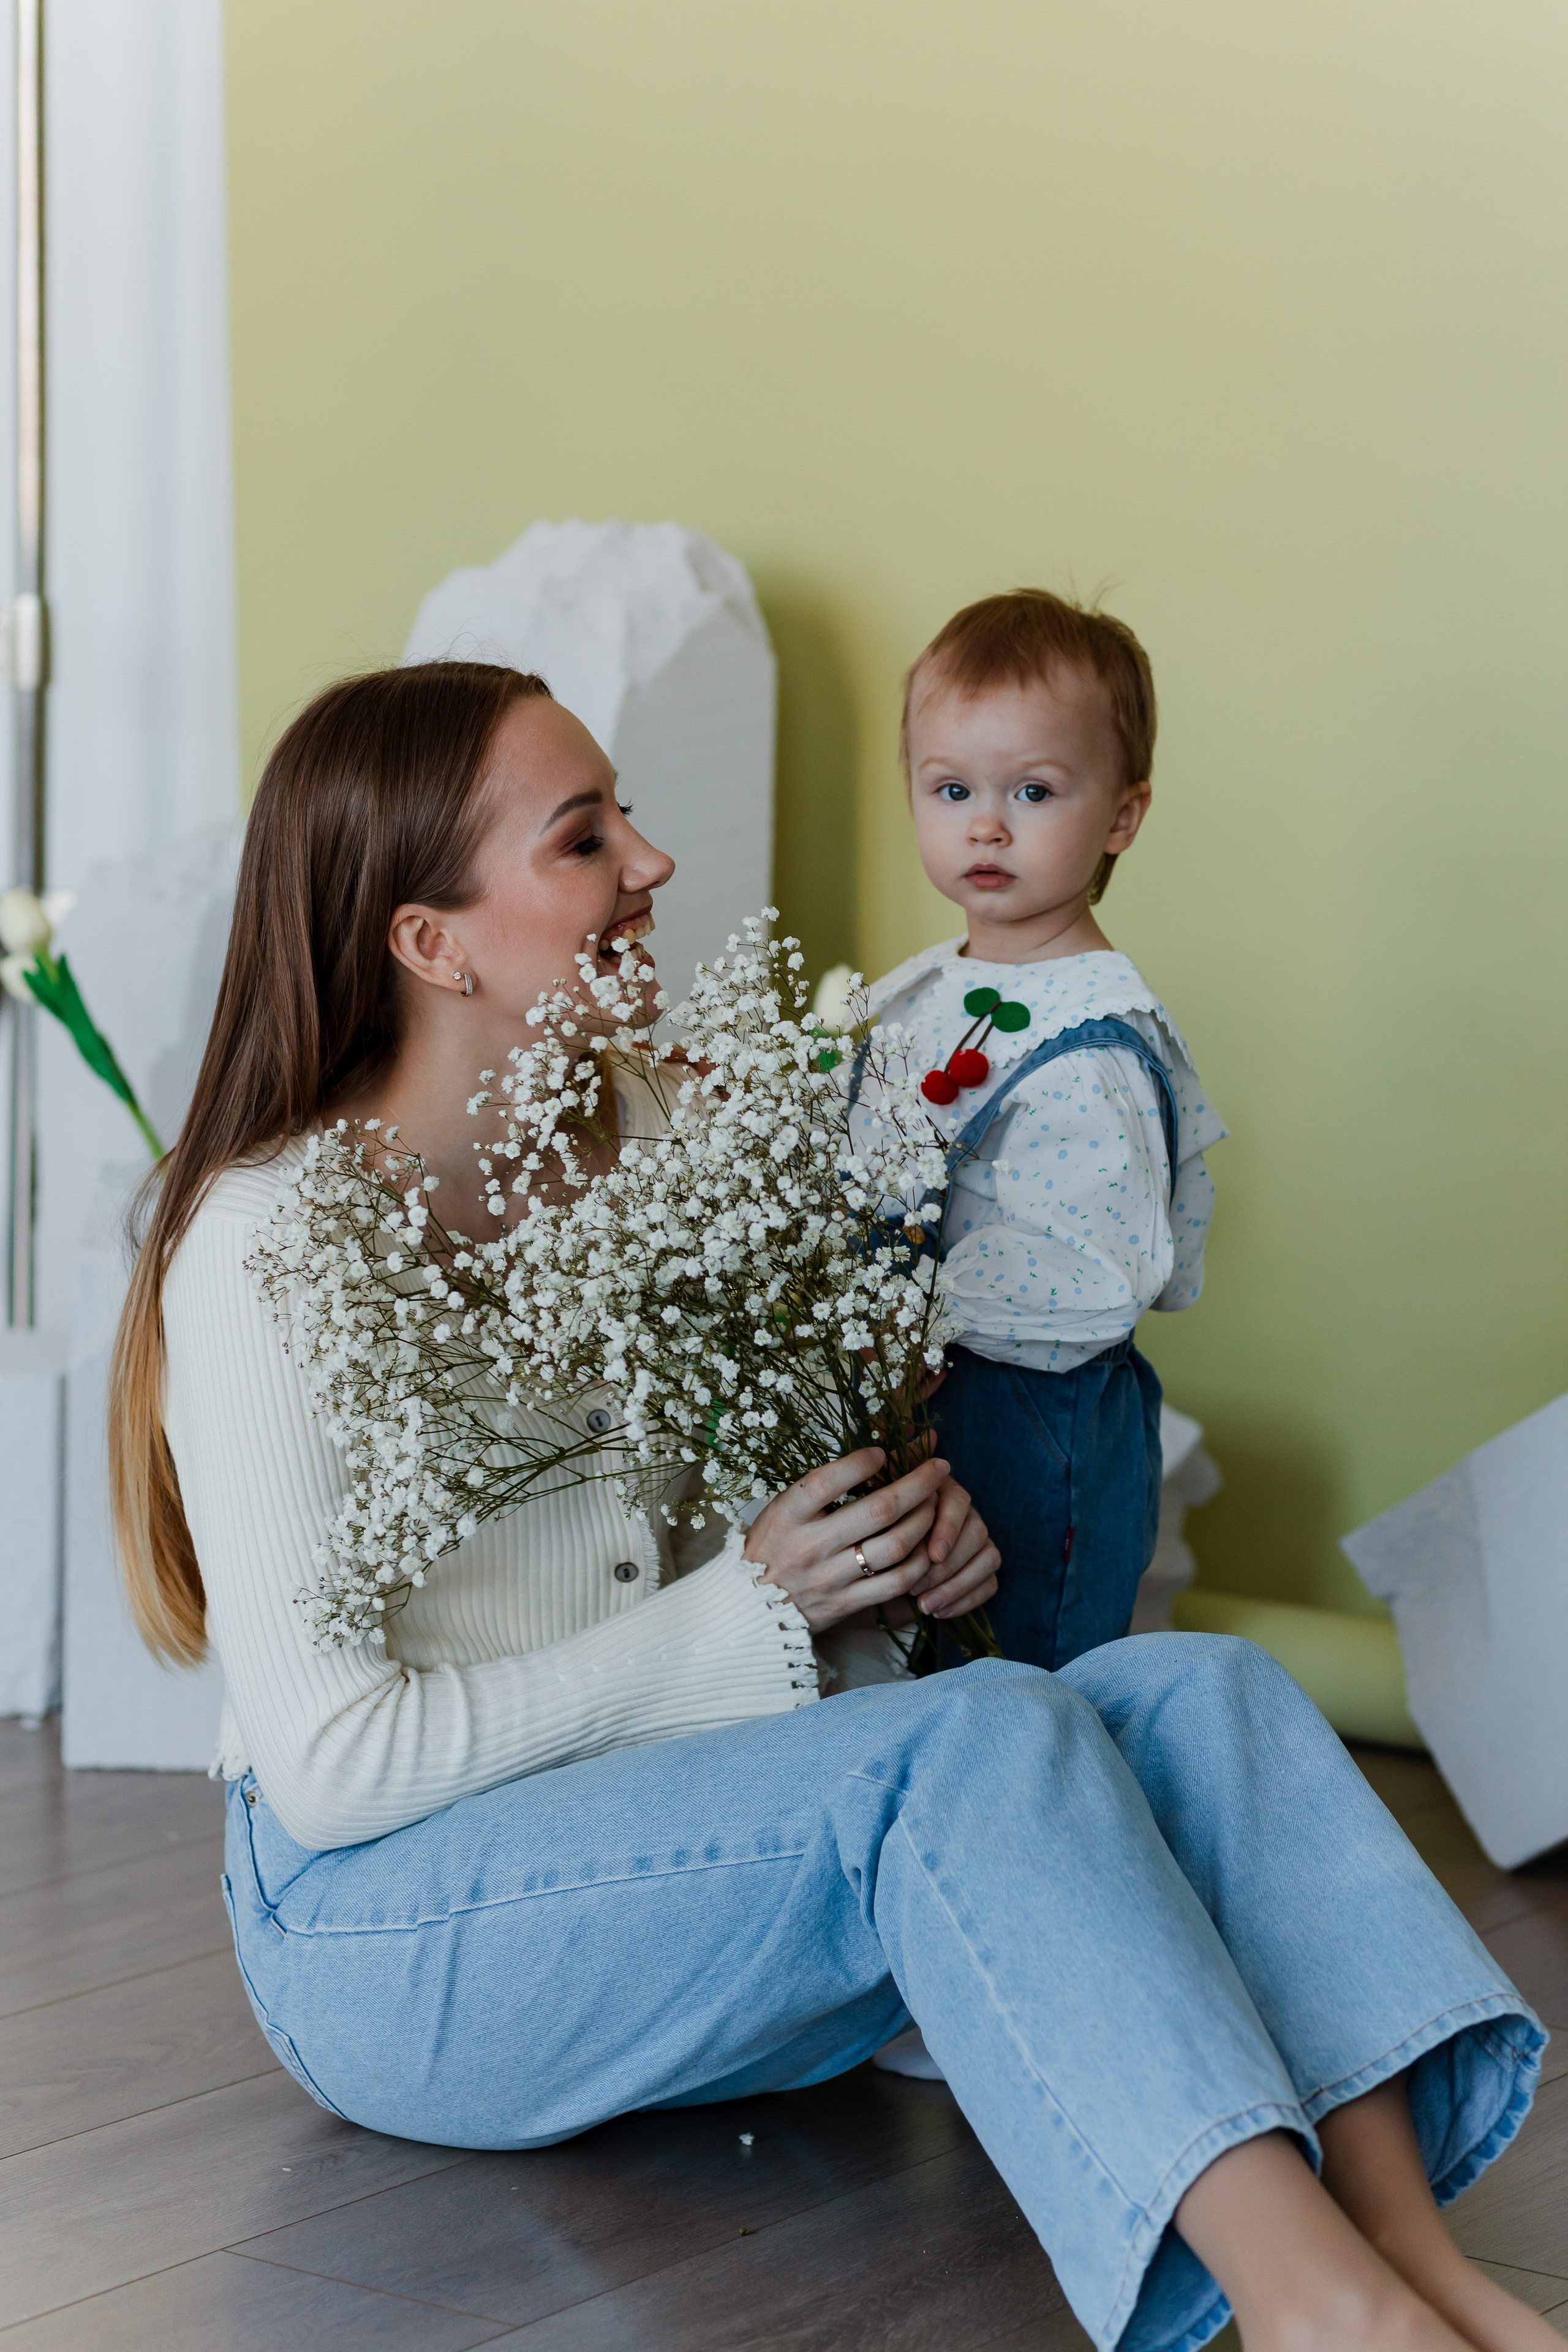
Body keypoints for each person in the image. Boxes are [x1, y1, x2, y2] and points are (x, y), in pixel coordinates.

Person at [108, 662, 1551, 2352]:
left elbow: (729, 1569)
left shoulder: (657, 1134)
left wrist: (882, 1562)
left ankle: (1423, 2275)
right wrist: (749, 1618)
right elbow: (336, 1770)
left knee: (1203, 1692)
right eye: (586, 839)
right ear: (433, 942)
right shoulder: (271, 1244)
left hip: (672, 1852)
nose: (652, 862)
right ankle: (1324, 2324)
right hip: (387, 1940)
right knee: (983, 1746)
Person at [858, 589, 1219, 1671]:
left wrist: (904, 1319)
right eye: (953, 788)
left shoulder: (1094, 1041)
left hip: (1030, 1413)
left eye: (1034, 791)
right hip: (924, 1384)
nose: (987, 824)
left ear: (1121, 815)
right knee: (920, 1663)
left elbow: (1090, 1276)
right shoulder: (924, 988)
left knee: (1025, 1666)